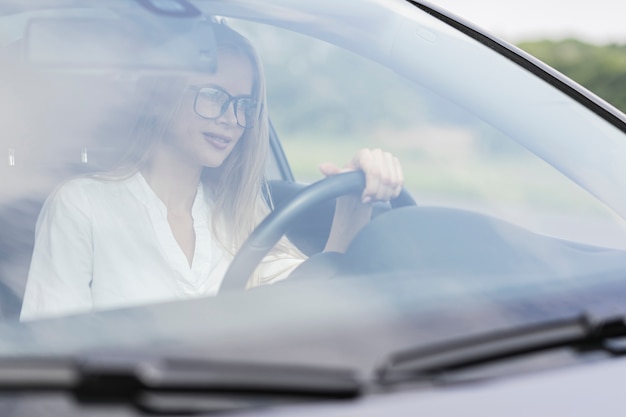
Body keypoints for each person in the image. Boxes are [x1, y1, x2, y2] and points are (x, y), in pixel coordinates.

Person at [19, 22, 403, 321]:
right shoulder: (82, 205)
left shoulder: (239, 211)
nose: (231, 120)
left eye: (244, 104)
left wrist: (354, 205)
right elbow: (48, 356)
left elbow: (316, 301)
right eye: (214, 96)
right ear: (163, 94)